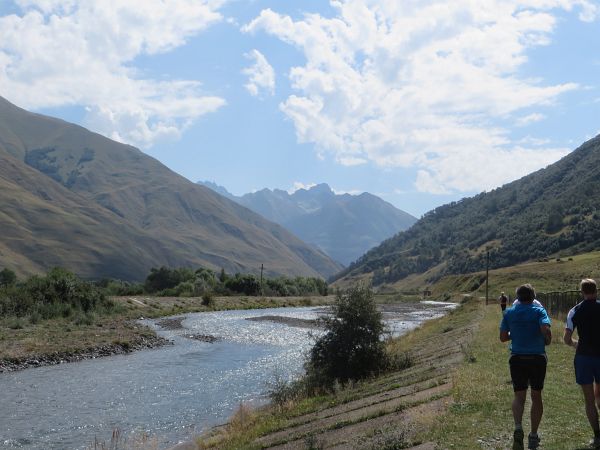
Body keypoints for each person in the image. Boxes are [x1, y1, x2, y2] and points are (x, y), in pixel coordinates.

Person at [500, 284, 552, 450]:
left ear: (517, 297)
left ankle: (517, 427)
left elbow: (502, 337)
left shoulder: (509, 312)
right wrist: (546, 338)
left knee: (519, 396)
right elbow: (545, 329)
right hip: (537, 358)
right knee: (536, 396)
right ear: (533, 296)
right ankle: (533, 435)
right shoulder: (539, 311)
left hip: (517, 358)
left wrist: (514, 334)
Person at [564, 279, 600, 449]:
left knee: (589, 399)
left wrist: (576, 344)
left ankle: (597, 435)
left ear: (582, 292)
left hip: (584, 357)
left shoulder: (575, 310)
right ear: (596, 290)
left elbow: (566, 339)